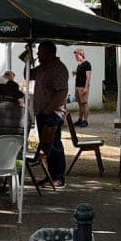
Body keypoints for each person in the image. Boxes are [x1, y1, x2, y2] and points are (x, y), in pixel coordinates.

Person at [31, 40, 69, 187]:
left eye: (40, 51)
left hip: (52, 114)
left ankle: (59, 177)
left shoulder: (58, 68)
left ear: (49, 52)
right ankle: (51, 176)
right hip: (43, 113)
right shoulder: (42, 68)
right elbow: (29, 74)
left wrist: (47, 110)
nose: (38, 54)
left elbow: (62, 93)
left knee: (54, 145)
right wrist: (26, 58)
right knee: (47, 147)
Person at [73, 48, 92, 127]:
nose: (75, 57)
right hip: (77, 86)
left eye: (76, 55)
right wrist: (76, 72)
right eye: (75, 56)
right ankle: (80, 120)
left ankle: (85, 121)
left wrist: (86, 88)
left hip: (83, 87)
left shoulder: (87, 64)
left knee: (84, 104)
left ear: (81, 55)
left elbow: (88, 77)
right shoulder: (79, 64)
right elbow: (81, 74)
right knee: (80, 104)